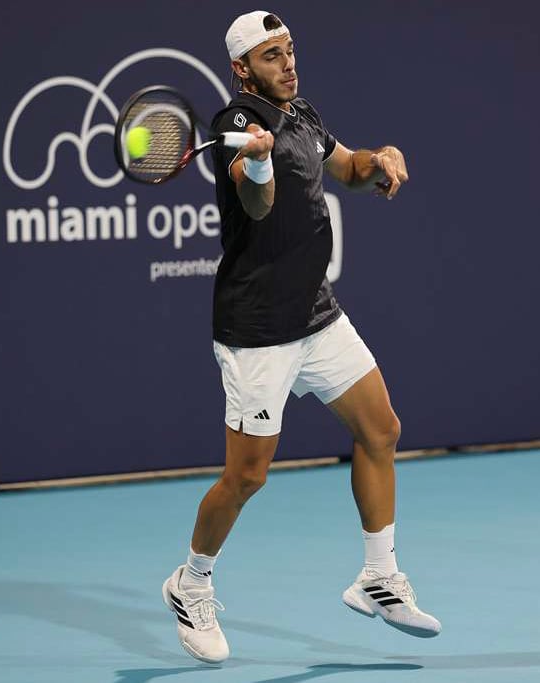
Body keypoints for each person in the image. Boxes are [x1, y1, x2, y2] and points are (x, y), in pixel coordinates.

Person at [161, 10, 440, 664]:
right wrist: (255, 166)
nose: (287, 64)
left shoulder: (305, 114)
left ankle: (378, 575)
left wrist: (380, 160)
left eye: (289, 51)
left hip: (316, 314)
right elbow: (254, 205)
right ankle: (190, 582)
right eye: (270, 57)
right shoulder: (234, 124)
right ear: (242, 70)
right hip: (258, 332)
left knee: (380, 429)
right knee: (247, 475)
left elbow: (345, 168)